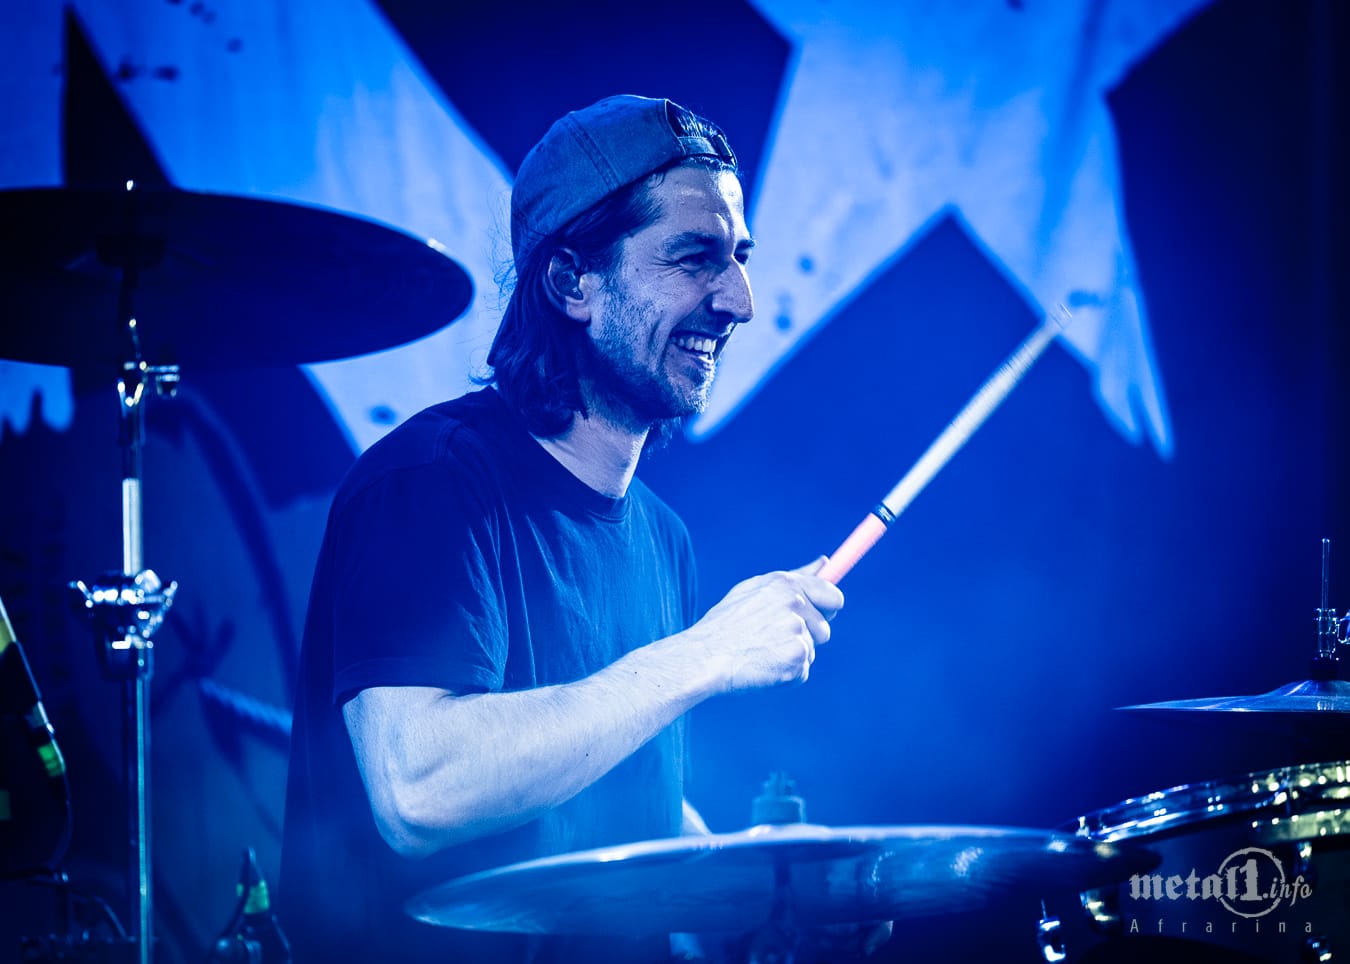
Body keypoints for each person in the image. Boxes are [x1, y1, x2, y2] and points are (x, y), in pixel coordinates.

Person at [279, 94, 846, 963]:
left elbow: (621, 802)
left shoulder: (662, 537)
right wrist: (703, 654)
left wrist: (772, 897)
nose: (738, 299)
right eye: (694, 257)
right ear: (572, 282)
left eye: (739, 257)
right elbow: (420, 790)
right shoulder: (430, 482)